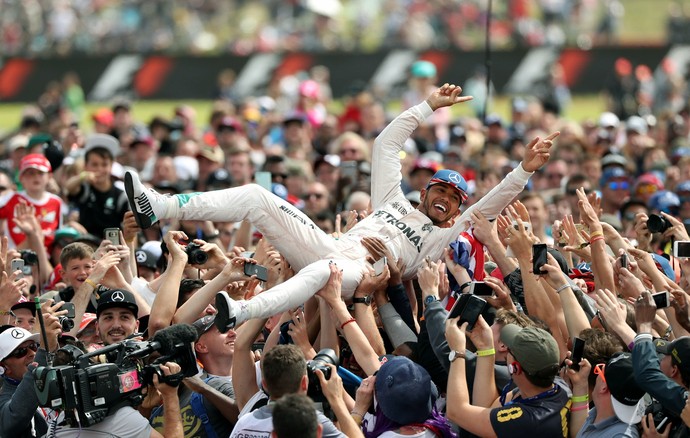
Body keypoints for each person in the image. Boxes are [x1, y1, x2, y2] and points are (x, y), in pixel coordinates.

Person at [125, 84, 558, 332]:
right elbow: (385, 145)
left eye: (454, 198)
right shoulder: (391, 200)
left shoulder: (443, 233)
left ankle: (238, 312)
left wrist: (525, 168)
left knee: (325, 274)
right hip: (329, 245)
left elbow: (494, 199)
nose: (446, 199)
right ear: (425, 190)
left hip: (361, 274)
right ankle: (157, 206)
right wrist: (427, 106)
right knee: (258, 197)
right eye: (440, 190)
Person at [444, 319, 569, 437]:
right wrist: (485, 349)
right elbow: (486, 408)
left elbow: (456, 412)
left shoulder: (528, 419)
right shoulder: (556, 386)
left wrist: (457, 352)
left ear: (515, 368)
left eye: (510, 350)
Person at [229, 344, 348, 438]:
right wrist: (336, 400)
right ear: (304, 383)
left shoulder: (244, 423)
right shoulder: (307, 421)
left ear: (264, 384)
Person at [64, 134, 129, 237]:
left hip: (111, 247)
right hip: (85, 244)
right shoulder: (84, 189)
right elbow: (68, 187)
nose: (99, 169)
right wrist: (82, 177)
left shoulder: (121, 197)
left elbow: (129, 229)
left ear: (111, 166)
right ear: (86, 166)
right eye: (94, 165)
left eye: (104, 164)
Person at [0, 153, 63, 250]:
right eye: (30, 173)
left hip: (46, 259)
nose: (36, 177)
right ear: (21, 178)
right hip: (16, 256)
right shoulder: (10, 198)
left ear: (50, 176)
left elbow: (57, 233)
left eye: (41, 173)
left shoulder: (56, 202)